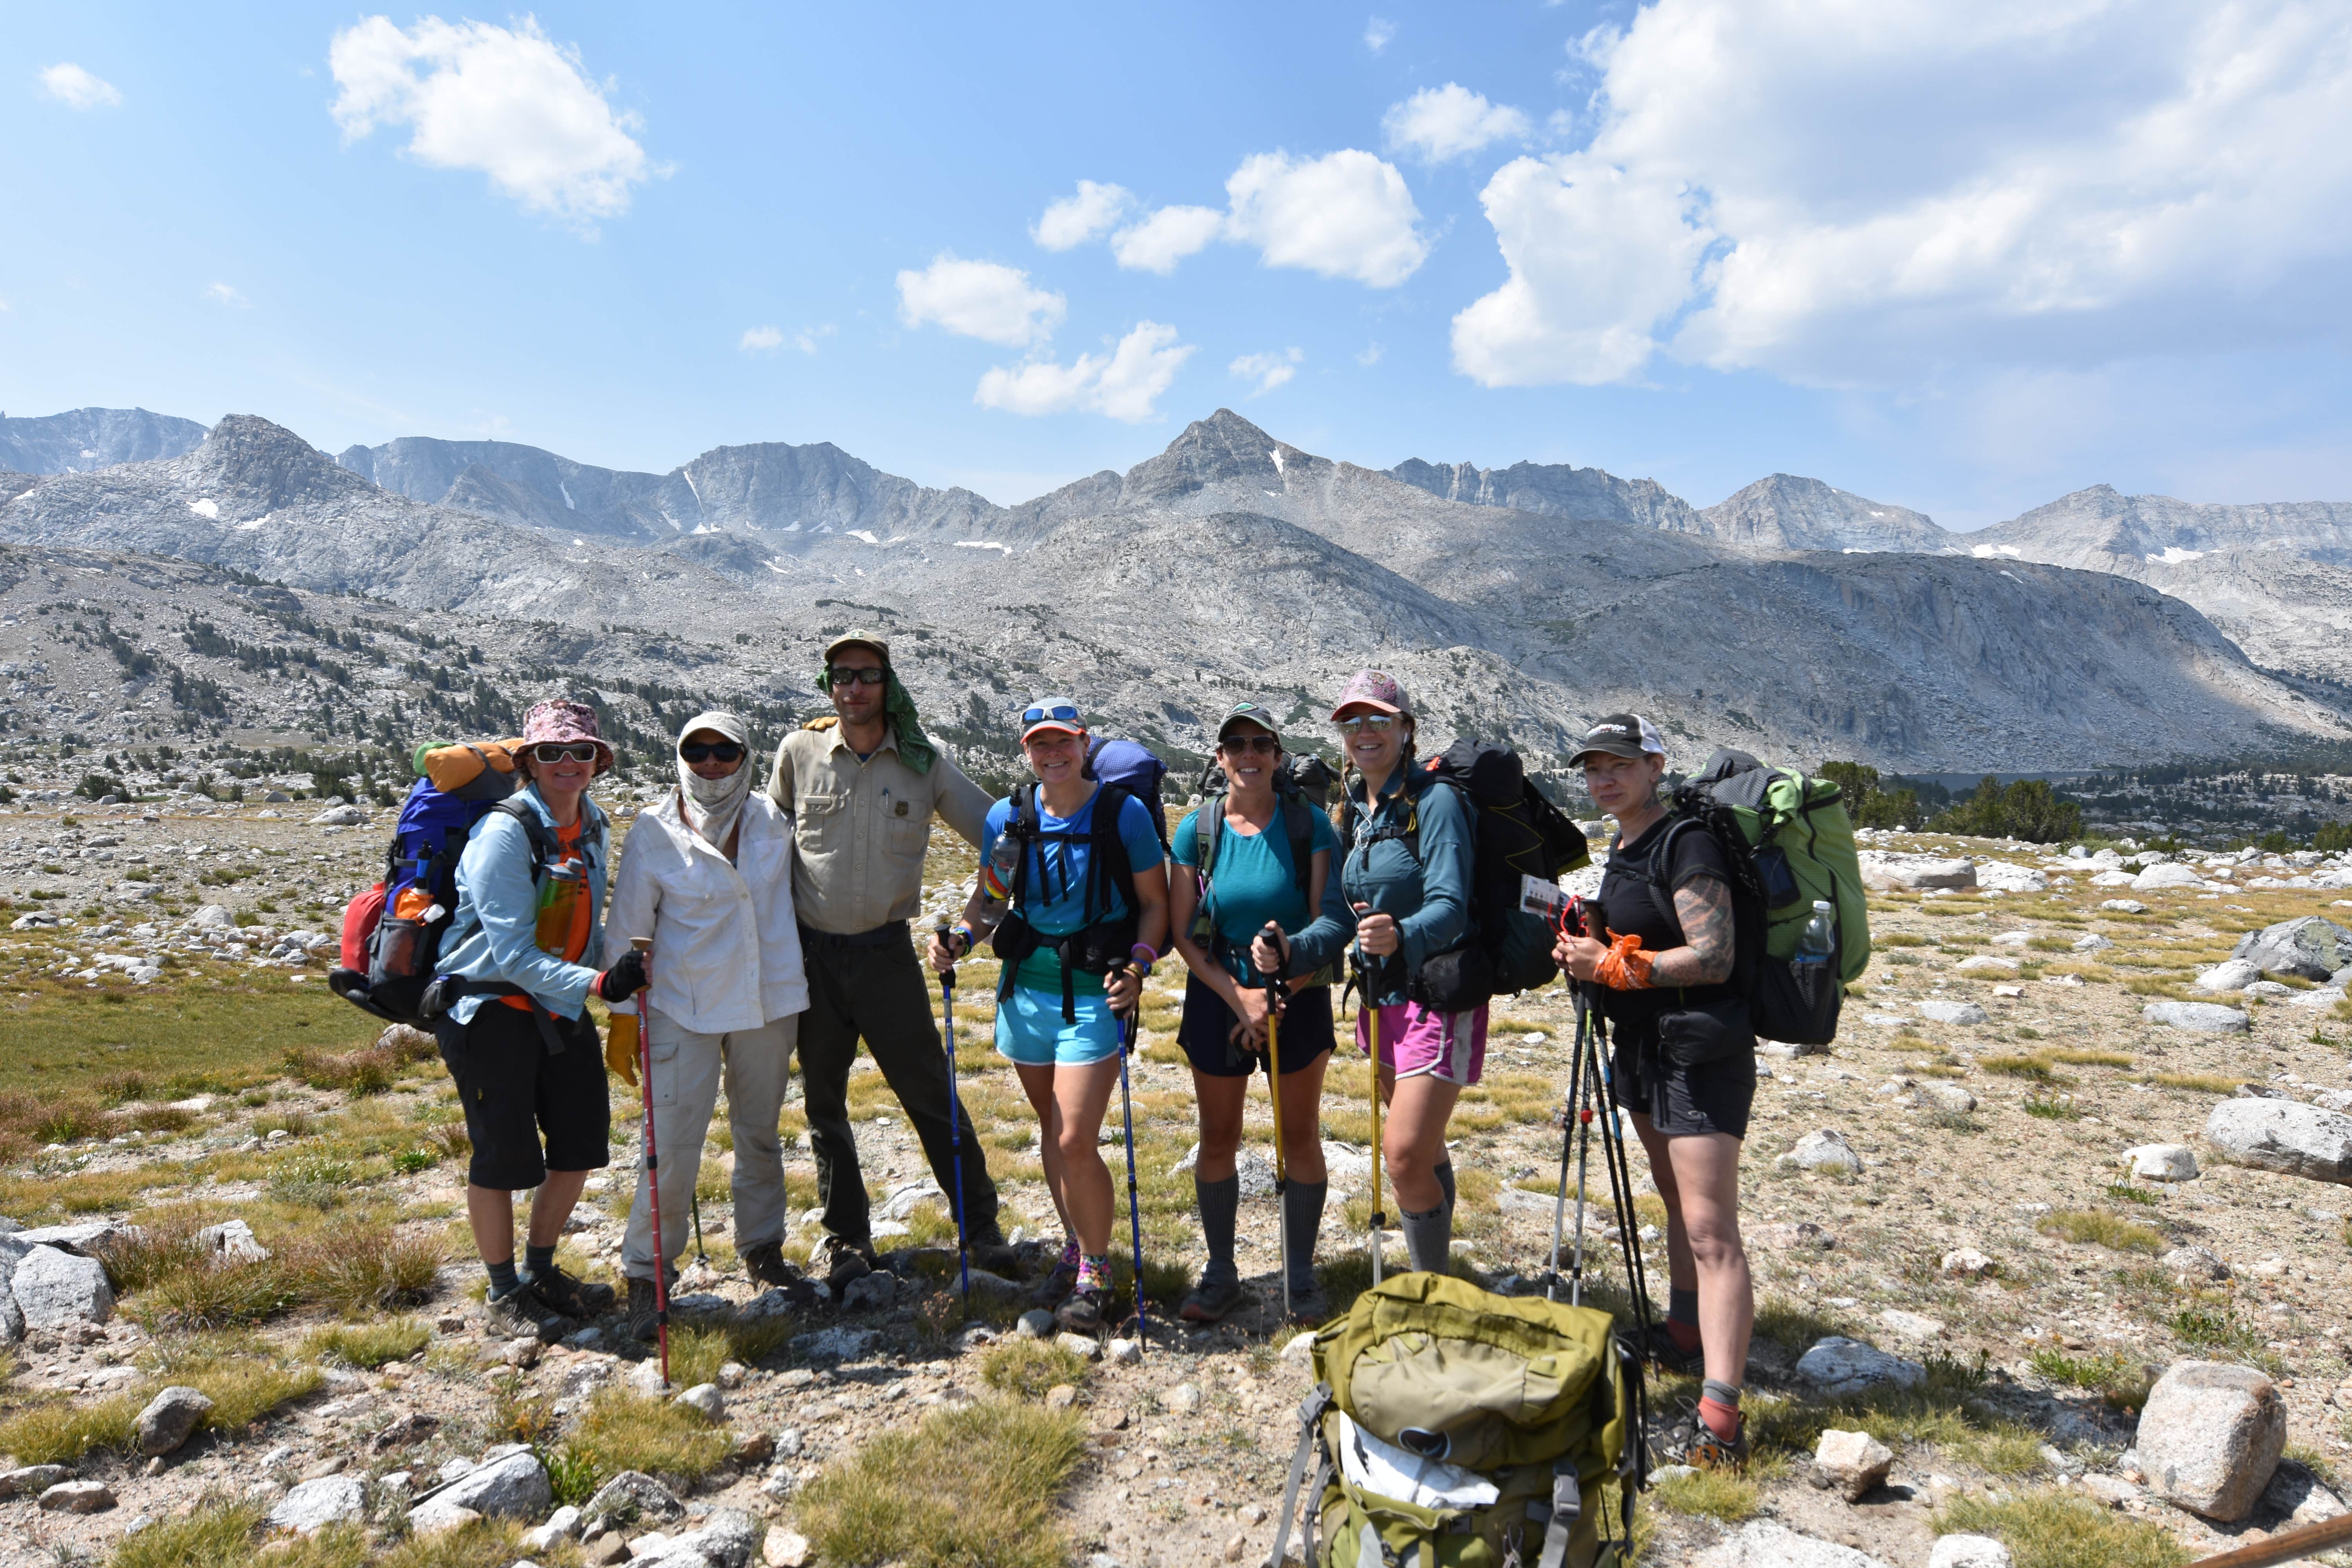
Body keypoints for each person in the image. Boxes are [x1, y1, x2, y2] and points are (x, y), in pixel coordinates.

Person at [766, 631, 1008, 1292]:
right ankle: (847, 1236)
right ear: (829, 684)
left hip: (885, 955)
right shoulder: (799, 752)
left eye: (867, 675)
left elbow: (1001, 837)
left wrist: (973, 923)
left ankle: (980, 1227)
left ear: (887, 683)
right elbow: (764, 846)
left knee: (929, 1092)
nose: (853, 687)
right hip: (811, 957)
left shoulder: (924, 762)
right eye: (842, 675)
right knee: (825, 1103)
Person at [1554, 712, 1755, 1470]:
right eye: (1594, 768)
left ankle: (1721, 1416)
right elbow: (1644, 931)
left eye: (1619, 765)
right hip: (1643, 1047)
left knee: (1711, 1230)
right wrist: (1592, 935)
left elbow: (1715, 954)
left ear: (1654, 766)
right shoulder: (1626, 841)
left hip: (1699, 1054)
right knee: (1677, 1203)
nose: (1604, 779)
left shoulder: (1685, 842)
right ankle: (1681, 1331)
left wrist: (1611, 967)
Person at [931, 699, 1169, 1332]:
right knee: (1051, 1127)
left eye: (1063, 741)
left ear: (1084, 744)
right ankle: (1074, 1247)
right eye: (1041, 743)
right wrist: (959, 936)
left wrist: (1140, 965)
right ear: (1025, 750)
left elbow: (1154, 905)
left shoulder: (1127, 815)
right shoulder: (1007, 818)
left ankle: (1096, 1269)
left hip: (1096, 993)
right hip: (1025, 995)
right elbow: (991, 898)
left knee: (1074, 1137)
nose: (1053, 753)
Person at [428, 699, 637, 1341]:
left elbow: (585, 927)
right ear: (529, 762)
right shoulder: (504, 833)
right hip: (491, 1010)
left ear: (599, 763)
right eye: (552, 753)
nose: (567, 764)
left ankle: (542, 1271)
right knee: (501, 1155)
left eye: (581, 753)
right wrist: (602, 984)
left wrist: (619, 971)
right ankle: (502, 1292)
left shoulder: (594, 824)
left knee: (578, 1142)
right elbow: (513, 954)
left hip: (559, 1004)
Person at [604, 711, 811, 1339]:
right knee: (670, 1145)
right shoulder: (653, 830)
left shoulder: (774, 819)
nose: (713, 764)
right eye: (698, 751)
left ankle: (763, 1248)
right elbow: (628, 931)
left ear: (747, 757)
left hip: (767, 1002)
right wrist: (620, 1020)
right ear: (680, 757)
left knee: (759, 1133)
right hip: (680, 1005)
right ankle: (647, 1273)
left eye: (727, 752)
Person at [1165, 701, 1351, 1325]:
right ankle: (1221, 1272)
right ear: (1220, 758)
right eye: (1235, 745)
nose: (1248, 755)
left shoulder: (1311, 826)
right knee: (1218, 1137)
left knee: (1299, 1134)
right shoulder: (1198, 829)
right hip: (1220, 996)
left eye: (1260, 745)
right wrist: (1239, 998)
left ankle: (1300, 1274)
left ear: (1276, 755)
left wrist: (1277, 997)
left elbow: (1330, 919)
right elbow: (1183, 931)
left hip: (1297, 993)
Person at [1330, 670, 1480, 1278]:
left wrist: (1401, 934)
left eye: (1379, 720)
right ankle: (1438, 1275)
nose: (1364, 733)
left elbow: (1451, 904)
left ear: (1406, 728)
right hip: (1379, 996)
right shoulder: (1356, 809)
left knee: (1402, 1153)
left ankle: (1428, 1288)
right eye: (1352, 722)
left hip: (1436, 993)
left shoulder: (1435, 801)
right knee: (1420, 1148)